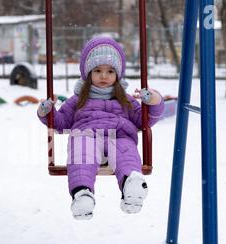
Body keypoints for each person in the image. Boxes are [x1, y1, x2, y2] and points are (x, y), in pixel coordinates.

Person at [37, 37, 164, 220]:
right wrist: (46, 112)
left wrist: (153, 101)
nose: (104, 76)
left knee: (126, 152)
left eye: (110, 71)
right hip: (87, 135)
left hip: (119, 136)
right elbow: (61, 122)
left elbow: (144, 121)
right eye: (98, 70)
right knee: (81, 153)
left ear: (117, 74)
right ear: (88, 73)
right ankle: (82, 194)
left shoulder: (125, 99)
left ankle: (131, 185)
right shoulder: (78, 99)